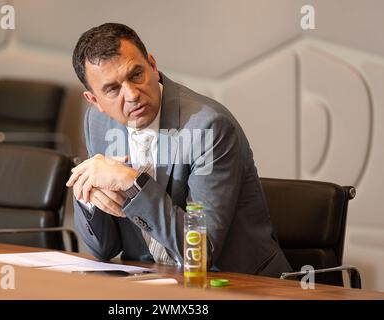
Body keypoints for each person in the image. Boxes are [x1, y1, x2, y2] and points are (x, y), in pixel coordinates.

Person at [68, 23, 291, 277]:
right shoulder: (97, 123)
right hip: (150, 281)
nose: (131, 95)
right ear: (94, 100)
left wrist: (132, 183)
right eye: (112, 89)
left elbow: (200, 252)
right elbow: (104, 249)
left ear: (152, 65)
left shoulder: (208, 127)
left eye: (136, 74)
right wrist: (87, 196)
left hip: (238, 284)